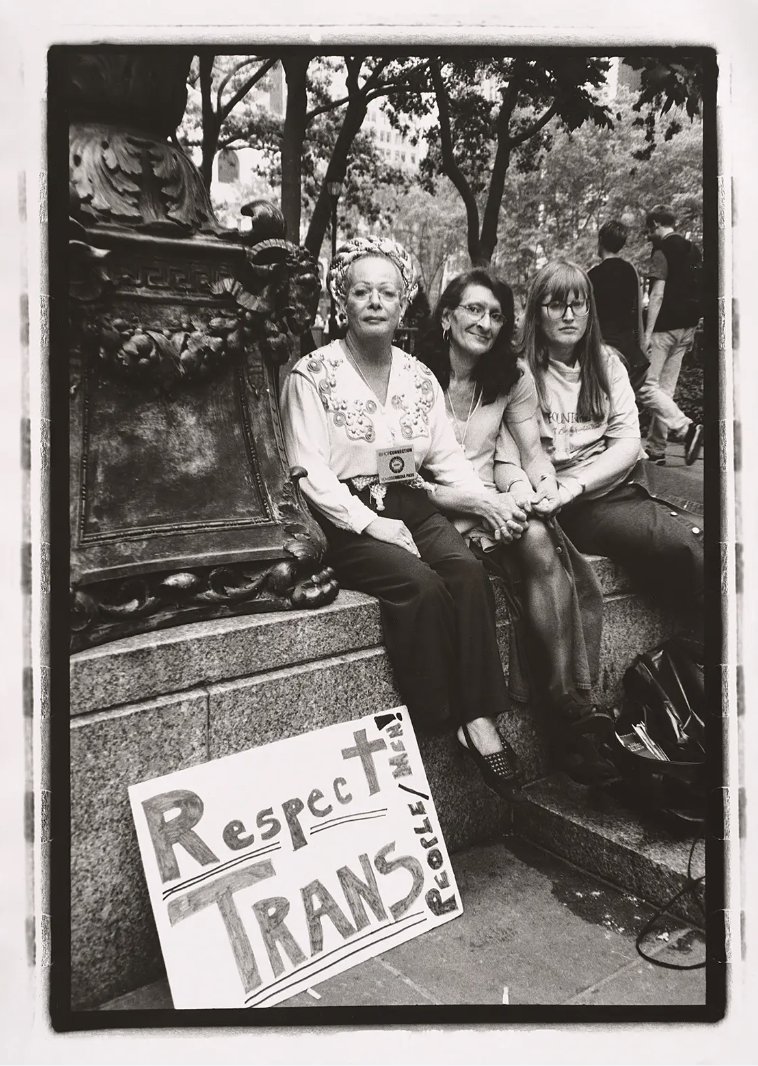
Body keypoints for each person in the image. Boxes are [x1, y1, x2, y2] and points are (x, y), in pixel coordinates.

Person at [281, 236, 527, 796]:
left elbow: (444, 460)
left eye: (386, 292)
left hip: (409, 499)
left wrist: (484, 504)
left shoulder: (419, 377)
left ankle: (480, 719)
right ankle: (441, 716)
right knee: (419, 585)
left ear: (403, 301)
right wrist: (372, 525)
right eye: (361, 291)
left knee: (465, 572)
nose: (374, 301)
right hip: (342, 515)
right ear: (341, 299)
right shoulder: (311, 374)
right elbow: (309, 471)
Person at [419, 269, 617, 786]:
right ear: (447, 316)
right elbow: (398, 478)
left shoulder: (512, 377)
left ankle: (566, 702)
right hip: (429, 509)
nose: (484, 323)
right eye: (474, 310)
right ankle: (564, 709)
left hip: (491, 504)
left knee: (538, 537)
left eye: (496, 315)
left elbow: (531, 454)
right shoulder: (414, 374)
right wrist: (487, 502)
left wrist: (542, 490)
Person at [516, 260, 704, 623]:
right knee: (682, 544)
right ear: (537, 313)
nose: (569, 315)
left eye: (578, 304)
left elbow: (627, 443)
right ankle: (709, 650)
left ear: (590, 310)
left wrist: (577, 483)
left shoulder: (607, 363)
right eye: (556, 305)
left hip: (625, 478)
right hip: (577, 507)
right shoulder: (520, 372)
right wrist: (566, 490)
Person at [589, 219, 703, 467]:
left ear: (600, 242)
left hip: (605, 349)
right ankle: (669, 439)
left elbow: (591, 318)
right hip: (630, 348)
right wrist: (642, 344)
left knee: (612, 398)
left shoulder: (592, 276)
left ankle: (630, 451)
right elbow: (637, 310)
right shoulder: (631, 272)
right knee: (644, 392)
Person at [643, 205, 703, 465]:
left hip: (663, 329)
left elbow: (657, 294)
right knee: (665, 390)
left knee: (646, 387)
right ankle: (657, 450)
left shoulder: (661, 250)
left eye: (648, 229)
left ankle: (686, 428)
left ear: (656, 224)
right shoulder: (694, 250)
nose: (648, 234)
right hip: (687, 328)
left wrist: (646, 333)